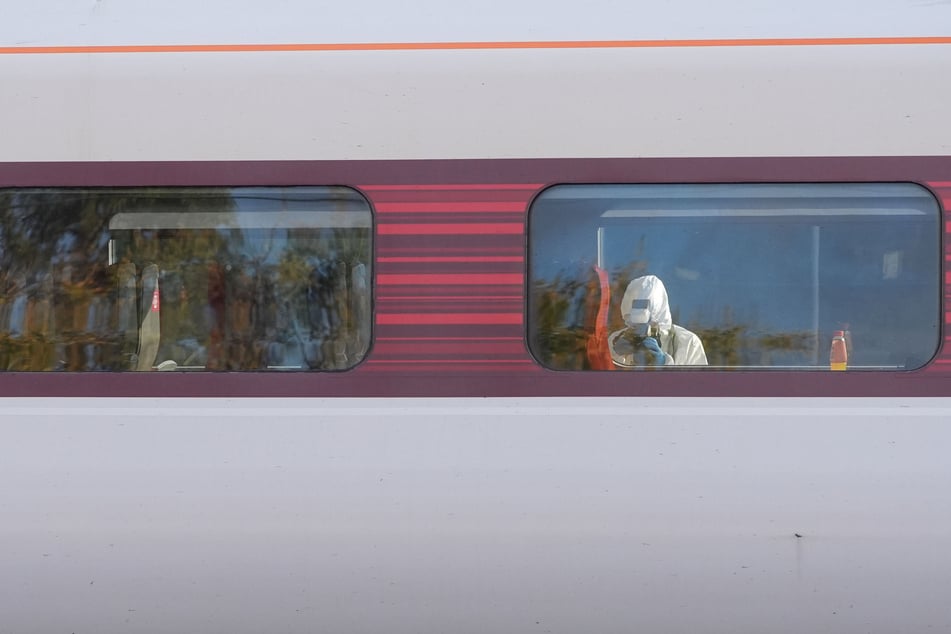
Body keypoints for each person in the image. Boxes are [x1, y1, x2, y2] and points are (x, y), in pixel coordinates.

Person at [608, 275, 707, 367]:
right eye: (636, 325)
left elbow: (699, 384)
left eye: (650, 325)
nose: (643, 332)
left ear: (660, 316)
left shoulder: (688, 343)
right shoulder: (615, 341)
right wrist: (615, 356)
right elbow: (604, 381)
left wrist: (664, 363)